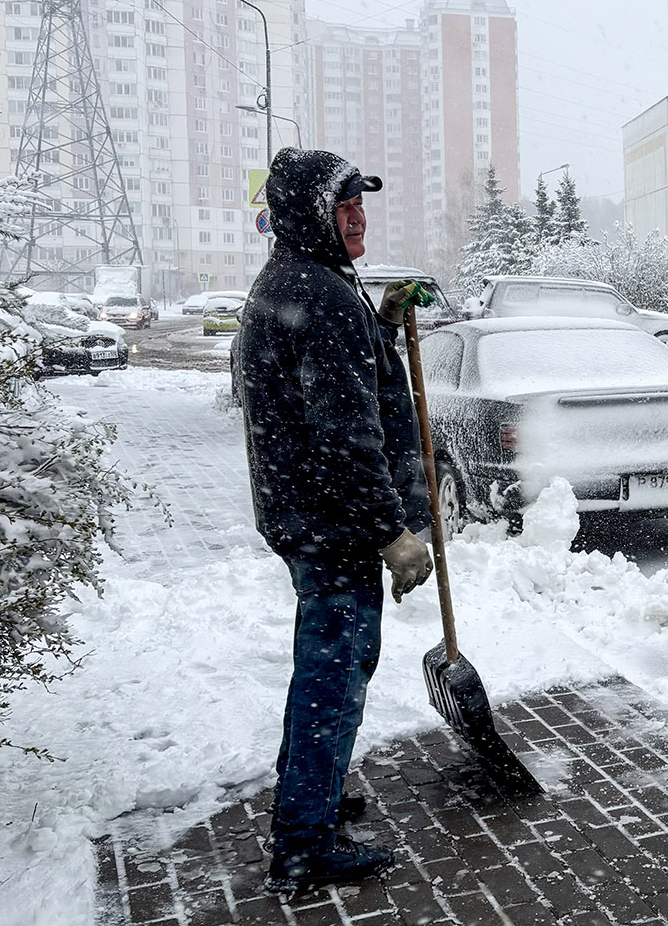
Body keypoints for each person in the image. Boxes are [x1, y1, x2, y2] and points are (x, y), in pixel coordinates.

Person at [231, 148, 433, 893]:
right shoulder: (315, 294)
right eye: (341, 204)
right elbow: (343, 436)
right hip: (334, 524)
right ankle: (304, 843)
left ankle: (311, 792)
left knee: (332, 668)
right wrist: (391, 530)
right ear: (308, 215)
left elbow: (336, 384)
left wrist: (379, 322)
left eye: (361, 202)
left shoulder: (301, 281)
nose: (357, 216)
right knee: (334, 677)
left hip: (307, 515)